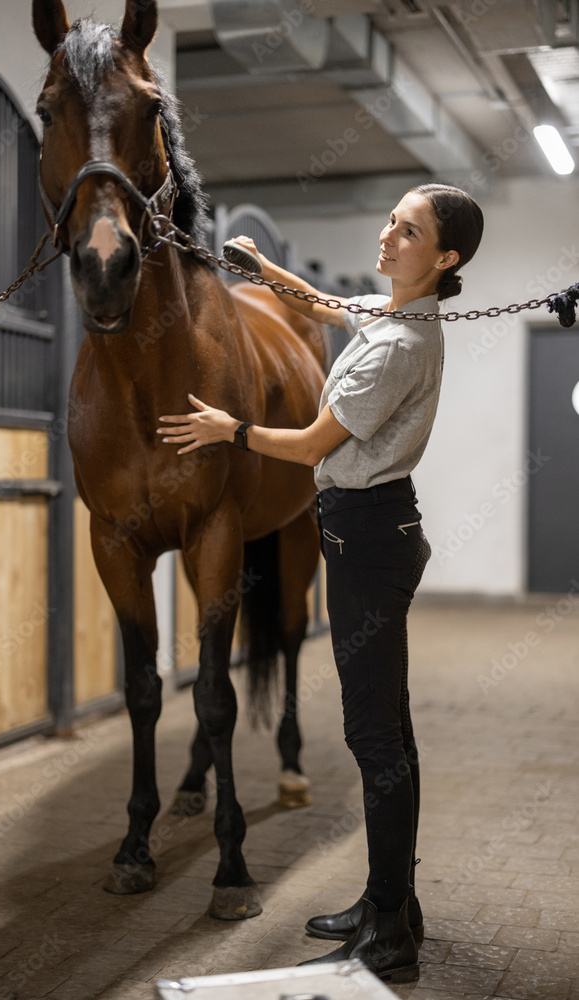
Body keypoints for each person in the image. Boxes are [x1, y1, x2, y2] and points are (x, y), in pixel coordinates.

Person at [157, 183, 484, 983]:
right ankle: (389, 905)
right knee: (387, 734)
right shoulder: (389, 313)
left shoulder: (400, 345)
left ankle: (389, 936)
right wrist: (262, 266)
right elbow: (328, 301)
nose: (387, 236)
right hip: (368, 533)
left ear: (443, 258)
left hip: (366, 540)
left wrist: (225, 429)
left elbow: (308, 448)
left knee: (376, 742)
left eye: (407, 232)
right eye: (390, 221)